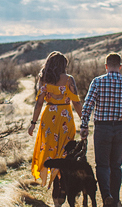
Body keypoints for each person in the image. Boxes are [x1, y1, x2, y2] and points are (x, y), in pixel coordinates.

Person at [80, 52, 122, 207]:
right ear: (120, 66)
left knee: (102, 165)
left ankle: (106, 195)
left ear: (106, 66)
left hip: (102, 129)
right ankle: (114, 200)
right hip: (121, 128)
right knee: (116, 165)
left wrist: (84, 126)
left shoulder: (98, 82)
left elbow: (87, 106)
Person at [28, 51, 83, 188]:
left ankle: (55, 181)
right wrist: (84, 119)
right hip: (65, 116)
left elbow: (39, 103)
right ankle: (61, 179)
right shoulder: (69, 79)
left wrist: (33, 123)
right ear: (63, 65)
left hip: (48, 118)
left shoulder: (43, 79)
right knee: (65, 149)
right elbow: (76, 102)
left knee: (50, 148)